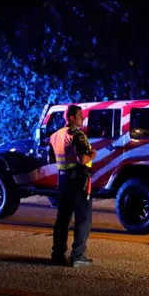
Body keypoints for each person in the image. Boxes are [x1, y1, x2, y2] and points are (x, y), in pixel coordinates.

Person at [49, 105, 97, 267]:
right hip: (78, 181)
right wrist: (93, 154)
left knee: (62, 219)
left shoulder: (55, 136)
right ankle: (78, 256)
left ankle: (57, 255)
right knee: (83, 219)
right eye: (80, 116)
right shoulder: (76, 134)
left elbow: (51, 158)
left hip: (62, 180)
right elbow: (82, 159)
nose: (83, 118)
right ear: (71, 118)